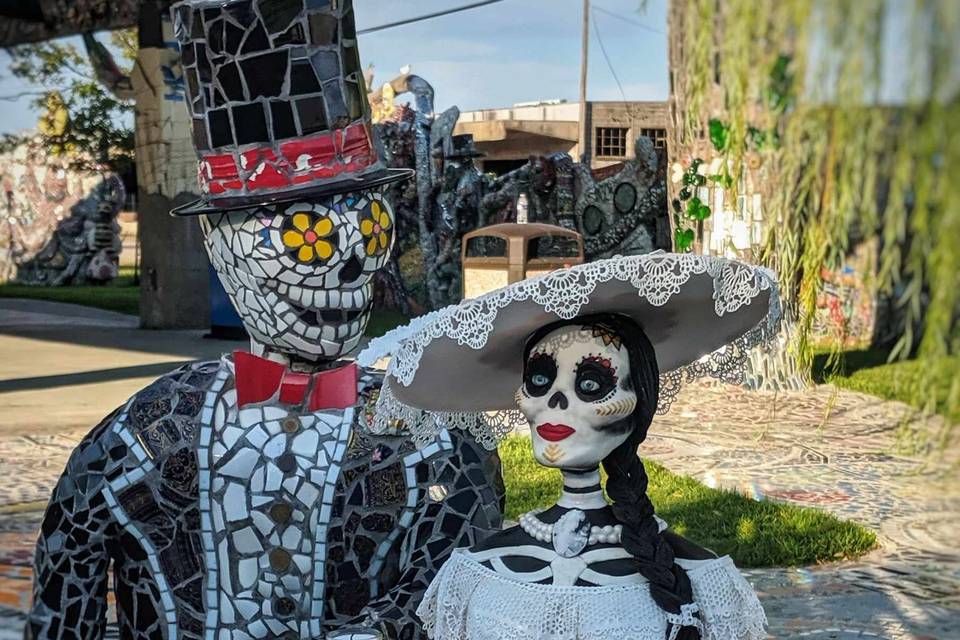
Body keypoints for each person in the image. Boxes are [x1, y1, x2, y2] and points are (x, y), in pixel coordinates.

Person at [26, 2, 503, 639]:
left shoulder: (438, 449)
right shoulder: (136, 444)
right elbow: (64, 611)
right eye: (306, 233)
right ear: (220, 244)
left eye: (370, 224)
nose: (352, 264)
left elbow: (457, 602)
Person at [367, 252, 778, 639]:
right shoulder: (475, 574)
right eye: (541, 381)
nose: (557, 403)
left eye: (591, 385)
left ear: (639, 402)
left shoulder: (703, 580)